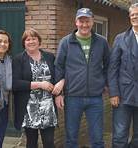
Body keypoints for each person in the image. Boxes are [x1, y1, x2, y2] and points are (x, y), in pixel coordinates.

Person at [54, 8, 110, 148]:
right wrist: (59, 93)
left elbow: (108, 65)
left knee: (97, 139)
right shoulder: (66, 42)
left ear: (92, 22)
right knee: (71, 138)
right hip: (73, 97)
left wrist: (103, 82)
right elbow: (59, 66)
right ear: (76, 22)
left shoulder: (101, 42)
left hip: (95, 97)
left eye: (87, 21)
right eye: (81, 21)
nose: (84, 25)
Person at [12, 28, 64, 148]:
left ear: (39, 41)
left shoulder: (50, 57)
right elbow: (15, 84)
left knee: (49, 142)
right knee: (31, 143)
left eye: (34, 38)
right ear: (24, 43)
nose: (31, 41)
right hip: (29, 107)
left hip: (48, 106)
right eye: (28, 39)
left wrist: (59, 93)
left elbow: (58, 76)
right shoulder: (18, 59)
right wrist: (40, 84)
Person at [108, 3, 138, 148]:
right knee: (120, 136)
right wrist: (113, 93)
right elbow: (112, 68)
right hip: (123, 95)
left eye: (137, 14)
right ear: (129, 17)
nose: (135, 16)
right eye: (132, 14)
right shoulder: (120, 38)